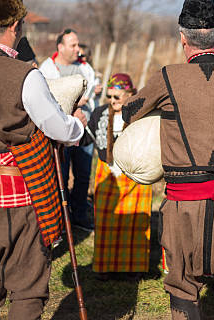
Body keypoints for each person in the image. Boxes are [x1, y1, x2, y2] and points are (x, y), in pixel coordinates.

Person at [0, 0, 86, 319]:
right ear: (15, 24)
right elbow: (56, 127)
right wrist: (78, 125)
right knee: (27, 294)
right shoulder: (24, 75)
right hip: (15, 203)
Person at [121, 0, 214, 320]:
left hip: (183, 206)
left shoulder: (167, 76)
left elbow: (128, 112)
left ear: (182, 37)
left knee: (182, 285)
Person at [87, 73, 152, 279]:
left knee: (134, 224)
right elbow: (84, 139)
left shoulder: (141, 113)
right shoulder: (99, 113)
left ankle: (133, 269)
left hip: (134, 174)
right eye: (109, 96)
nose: (112, 101)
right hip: (108, 172)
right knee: (106, 223)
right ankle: (105, 268)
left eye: (117, 96)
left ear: (130, 94)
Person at [39, 28, 96, 231]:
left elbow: (92, 92)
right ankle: (61, 220)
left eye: (78, 44)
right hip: (61, 134)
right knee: (60, 177)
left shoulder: (85, 68)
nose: (77, 49)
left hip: (84, 132)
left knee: (83, 175)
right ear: (60, 47)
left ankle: (79, 214)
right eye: (73, 45)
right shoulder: (47, 70)